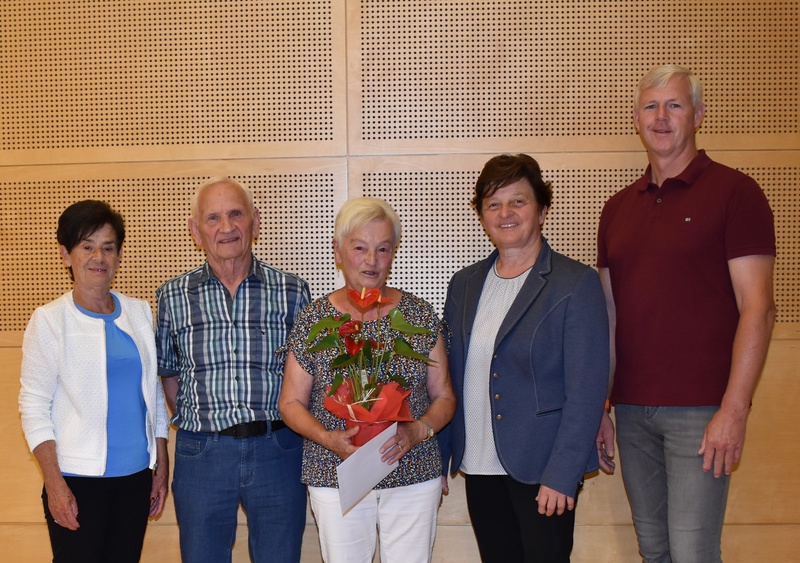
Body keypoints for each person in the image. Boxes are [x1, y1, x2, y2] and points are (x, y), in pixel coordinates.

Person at [595, 65, 776, 562]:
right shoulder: (616, 209)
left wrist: (733, 410)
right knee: (654, 551)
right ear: (636, 119)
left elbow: (759, 309)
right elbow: (609, 319)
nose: (661, 117)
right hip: (632, 410)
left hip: (703, 412)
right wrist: (601, 406)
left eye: (674, 105)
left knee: (693, 553)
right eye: (651, 106)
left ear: (697, 115)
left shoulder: (736, 193)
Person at [441, 154, 610, 562]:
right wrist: (441, 455)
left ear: (542, 210)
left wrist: (563, 473)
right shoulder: (464, 284)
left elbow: (586, 391)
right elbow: (449, 376)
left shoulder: (575, 283)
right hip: (478, 463)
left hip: (543, 467)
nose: (506, 213)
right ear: (482, 215)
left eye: (518, 201)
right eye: (493, 204)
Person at [278, 197, 456, 563]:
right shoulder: (314, 320)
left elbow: (444, 397)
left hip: (412, 470)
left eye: (383, 249)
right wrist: (328, 438)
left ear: (394, 253)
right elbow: (290, 403)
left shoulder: (420, 315)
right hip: (336, 472)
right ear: (338, 251)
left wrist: (417, 430)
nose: (371, 260)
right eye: (359, 248)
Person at [156, 178, 310, 563]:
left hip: (278, 449)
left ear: (255, 222)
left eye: (236, 214)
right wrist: (206, 422)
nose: (226, 227)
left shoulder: (292, 291)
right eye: (213, 218)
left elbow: (307, 378)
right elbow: (169, 374)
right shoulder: (173, 295)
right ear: (196, 231)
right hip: (202, 454)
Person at [19, 200, 170, 563]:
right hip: (76, 480)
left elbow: (152, 394)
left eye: (108, 247)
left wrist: (160, 465)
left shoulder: (139, 312)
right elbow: (33, 408)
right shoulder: (49, 321)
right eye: (86, 247)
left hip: (135, 477)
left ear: (119, 255)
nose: (98, 257)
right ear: (66, 255)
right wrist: (55, 484)